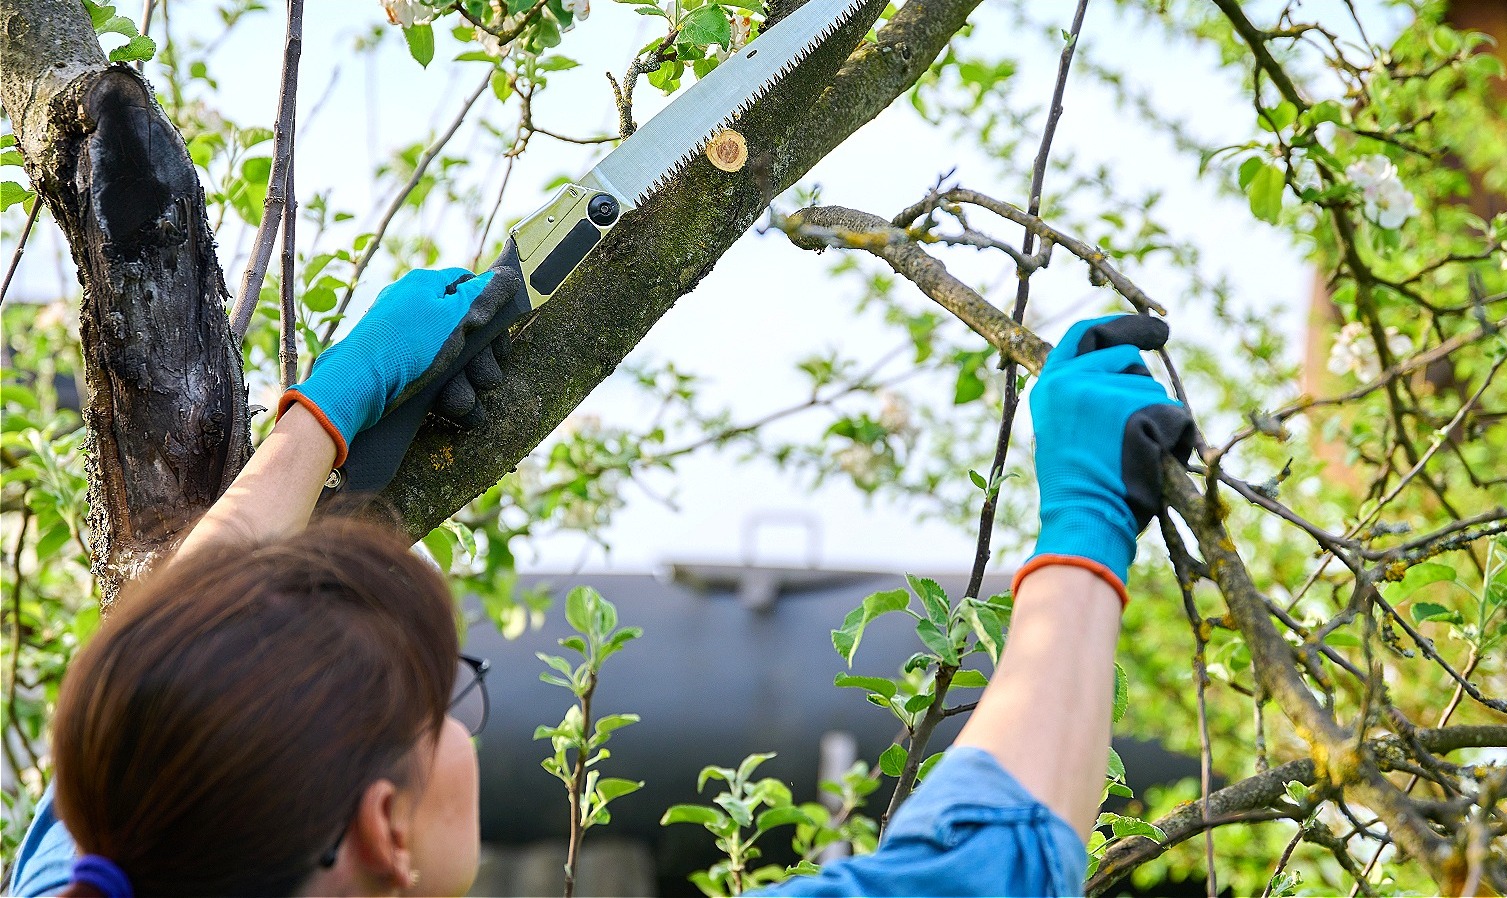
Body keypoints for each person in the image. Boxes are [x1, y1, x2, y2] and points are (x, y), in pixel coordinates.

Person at [7, 264, 1193, 897]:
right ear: (385, 829)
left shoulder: (111, 860)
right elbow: (989, 863)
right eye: (450, 697)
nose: (471, 716)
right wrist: (1087, 522)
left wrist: (324, 417)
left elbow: (151, 701)